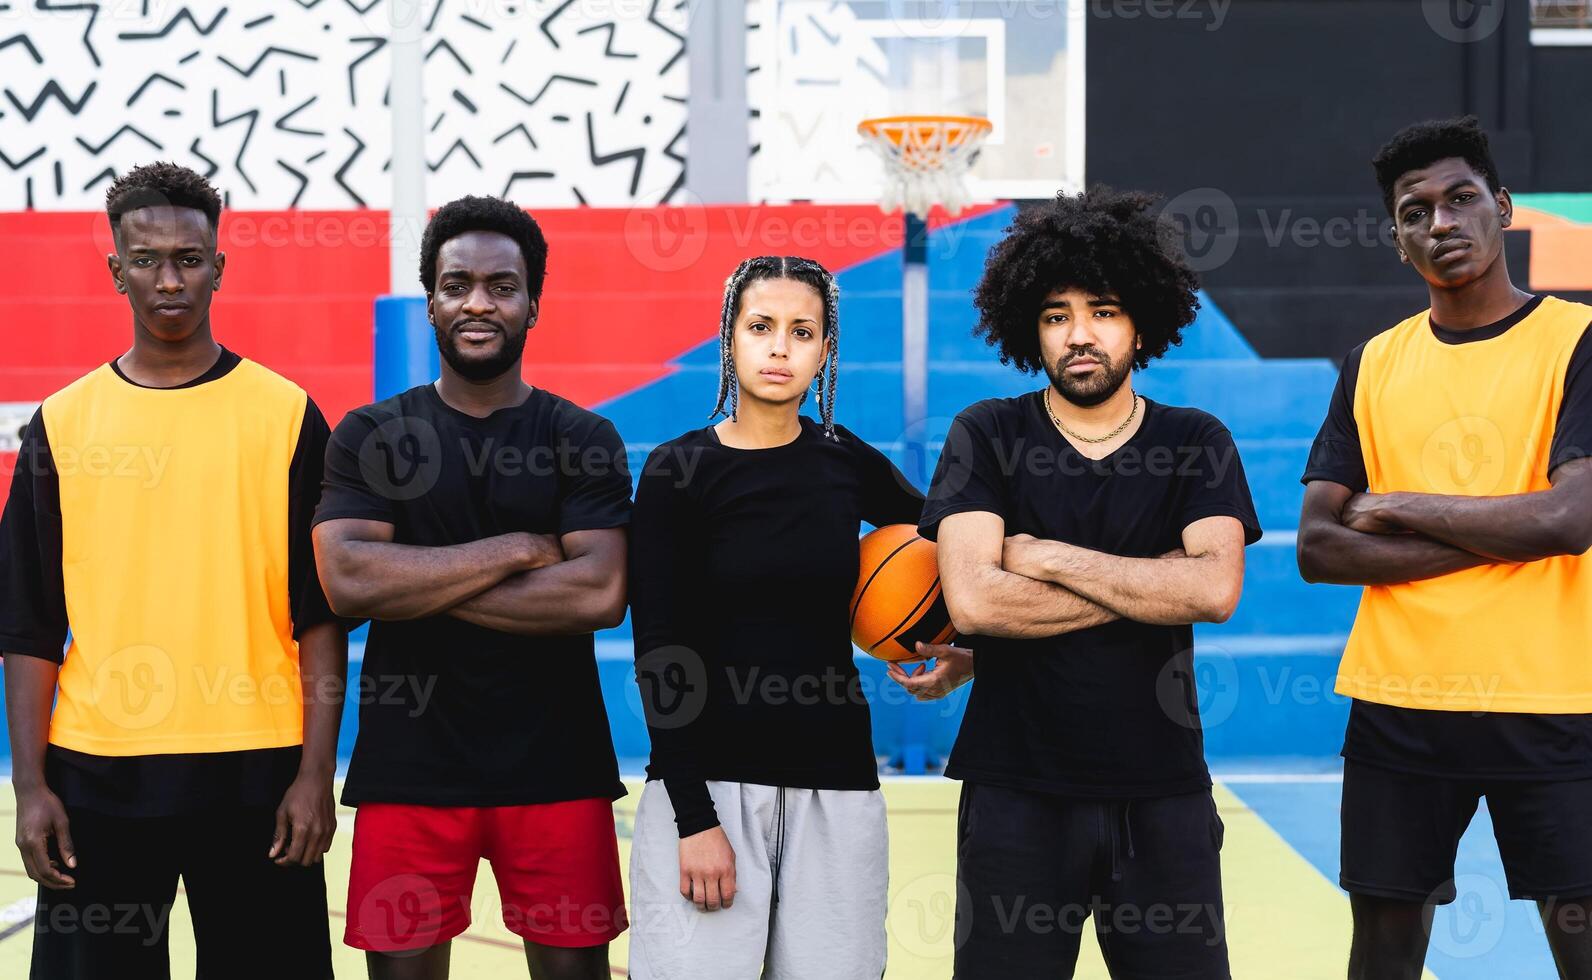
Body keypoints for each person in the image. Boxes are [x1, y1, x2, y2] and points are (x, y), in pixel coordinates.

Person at [901, 187, 1261, 979]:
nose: (1081, 335)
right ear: (1031, 329)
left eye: (1102, 309)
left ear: (1141, 322)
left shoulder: (1194, 441)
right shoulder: (986, 432)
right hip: (1015, 795)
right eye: (1057, 315)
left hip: (1162, 796)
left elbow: (1214, 592)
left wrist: (1048, 556)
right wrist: (1152, 582)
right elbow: (975, 601)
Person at [0, 162, 345, 979]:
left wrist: (313, 775)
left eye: (189, 259)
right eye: (146, 260)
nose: (168, 279)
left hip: (257, 772)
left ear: (218, 265)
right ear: (115, 271)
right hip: (97, 775)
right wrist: (32, 787)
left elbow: (320, 616)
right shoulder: (62, 423)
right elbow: (28, 626)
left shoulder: (287, 414)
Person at [1297, 116, 1592, 980]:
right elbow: (1319, 547)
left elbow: (1570, 522)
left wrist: (1397, 505)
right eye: (1415, 211)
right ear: (1397, 240)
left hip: (1553, 694)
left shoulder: (1577, 342)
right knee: (1383, 953)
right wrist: (1512, 530)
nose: (1442, 225)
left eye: (1462, 199)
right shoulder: (1373, 363)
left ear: (1503, 208)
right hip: (1399, 702)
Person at [312, 196, 631, 980]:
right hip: (408, 770)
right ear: (430, 303)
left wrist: (413, 576)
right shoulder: (372, 434)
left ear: (532, 305)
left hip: (557, 770)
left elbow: (597, 594)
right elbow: (347, 580)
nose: (479, 302)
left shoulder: (582, 437)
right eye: (457, 284)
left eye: (501, 285)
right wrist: (519, 549)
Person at [625, 255, 962, 979]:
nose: (779, 347)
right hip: (708, 787)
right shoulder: (676, 471)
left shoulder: (846, 463)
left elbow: (956, 538)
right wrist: (693, 818)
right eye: (761, 326)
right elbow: (659, 649)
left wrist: (963, 643)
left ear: (824, 351)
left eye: (801, 331)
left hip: (835, 788)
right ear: (729, 338)